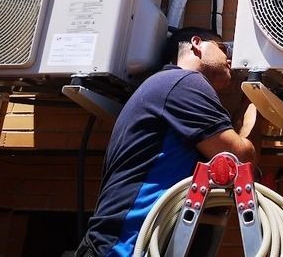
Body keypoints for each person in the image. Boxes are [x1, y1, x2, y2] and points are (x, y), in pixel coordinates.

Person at [76, 27, 259, 257]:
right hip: (122, 248)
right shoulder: (183, 82)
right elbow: (240, 157)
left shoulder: (168, 86)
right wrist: (258, 99)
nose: (230, 59)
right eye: (223, 49)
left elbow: (225, 144)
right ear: (196, 43)